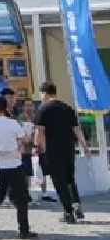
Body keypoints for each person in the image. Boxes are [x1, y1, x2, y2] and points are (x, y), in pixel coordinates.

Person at [33, 82, 91, 223]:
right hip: (69, 148)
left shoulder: (43, 109)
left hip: (53, 150)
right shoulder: (67, 108)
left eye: (41, 94)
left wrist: (36, 146)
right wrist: (85, 146)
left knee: (59, 181)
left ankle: (68, 212)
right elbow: (77, 129)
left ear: (45, 93)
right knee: (70, 178)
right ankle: (76, 205)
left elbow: (39, 131)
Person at [0, 95, 36, 239]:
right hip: (14, 164)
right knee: (21, 198)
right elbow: (25, 139)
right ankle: (23, 229)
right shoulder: (12, 123)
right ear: (5, 108)